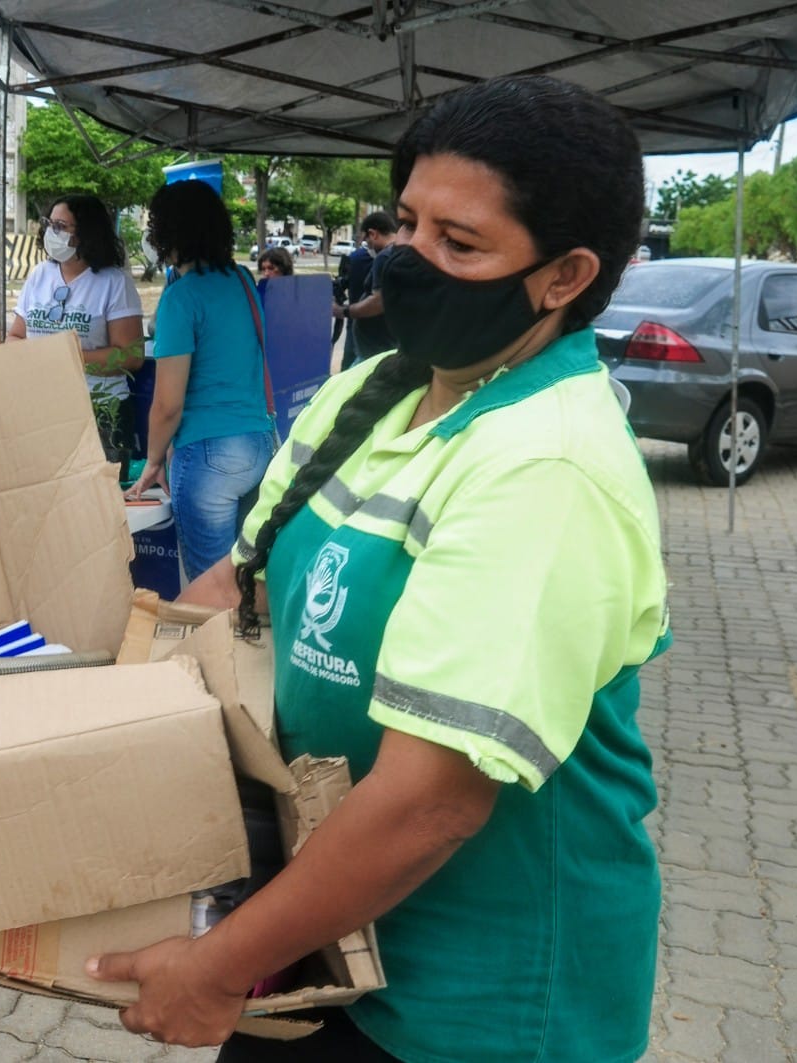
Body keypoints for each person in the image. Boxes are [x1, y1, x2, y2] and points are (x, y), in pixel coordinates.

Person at [88, 75, 671, 1063]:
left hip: (475, 1001)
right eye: (405, 225)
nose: (410, 261)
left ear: (565, 276)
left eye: (460, 242)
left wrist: (218, 965)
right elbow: (238, 582)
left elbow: (432, 800)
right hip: (319, 934)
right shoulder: (372, 391)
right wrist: (86, 719)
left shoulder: (545, 463)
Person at [126, 180, 275, 582]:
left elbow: (167, 404)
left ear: (170, 232)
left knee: (210, 594)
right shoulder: (243, 280)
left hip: (207, 458)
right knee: (246, 584)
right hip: (260, 447)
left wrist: (154, 460)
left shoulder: (181, 298)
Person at [6, 193, 144, 464]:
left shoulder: (114, 283)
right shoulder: (39, 276)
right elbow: (14, 336)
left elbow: (130, 356)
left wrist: (67, 357)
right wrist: (33, 355)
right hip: (40, 410)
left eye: (60, 226)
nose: (50, 232)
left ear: (87, 233)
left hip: (101, 413)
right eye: (49, 224)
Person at [334, 211, 397, 369]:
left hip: (373, 351)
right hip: (389, 345)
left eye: (366, 241)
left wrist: (343, 311)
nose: (367, 246)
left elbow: (377, 301)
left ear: (373, 234)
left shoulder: (384, 257)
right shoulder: (403, 252)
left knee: (347, 388)